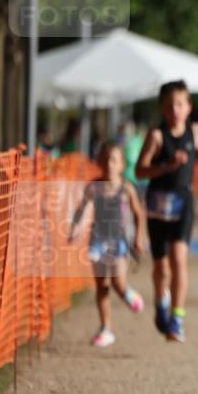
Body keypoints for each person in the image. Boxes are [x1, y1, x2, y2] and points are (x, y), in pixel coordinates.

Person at [135, 80, 198, 342]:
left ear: (189, 107)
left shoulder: (197, 131)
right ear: (161, 108)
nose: (174, 110)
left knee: (179, 259)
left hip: (183, 203)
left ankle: (177, 317)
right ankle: (161, 302)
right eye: (169, 106)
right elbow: (139, 170)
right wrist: (167, 166)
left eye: (179, 104)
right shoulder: (156, 136)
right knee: (161, 267)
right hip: (158, 203)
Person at [69, 141, 147, 347]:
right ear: (99, 162)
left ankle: (127, 293)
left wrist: (139, 237)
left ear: (122, 165)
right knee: (102, 285)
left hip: (118, 242)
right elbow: (81, 209)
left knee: (117, 283)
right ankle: (106, 328)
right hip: (97, 242)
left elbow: (139, 214)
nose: (109, 164)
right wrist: (75, 228)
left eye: (113, 160)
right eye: (104, 160)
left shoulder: (126, 188)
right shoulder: (94, 187)